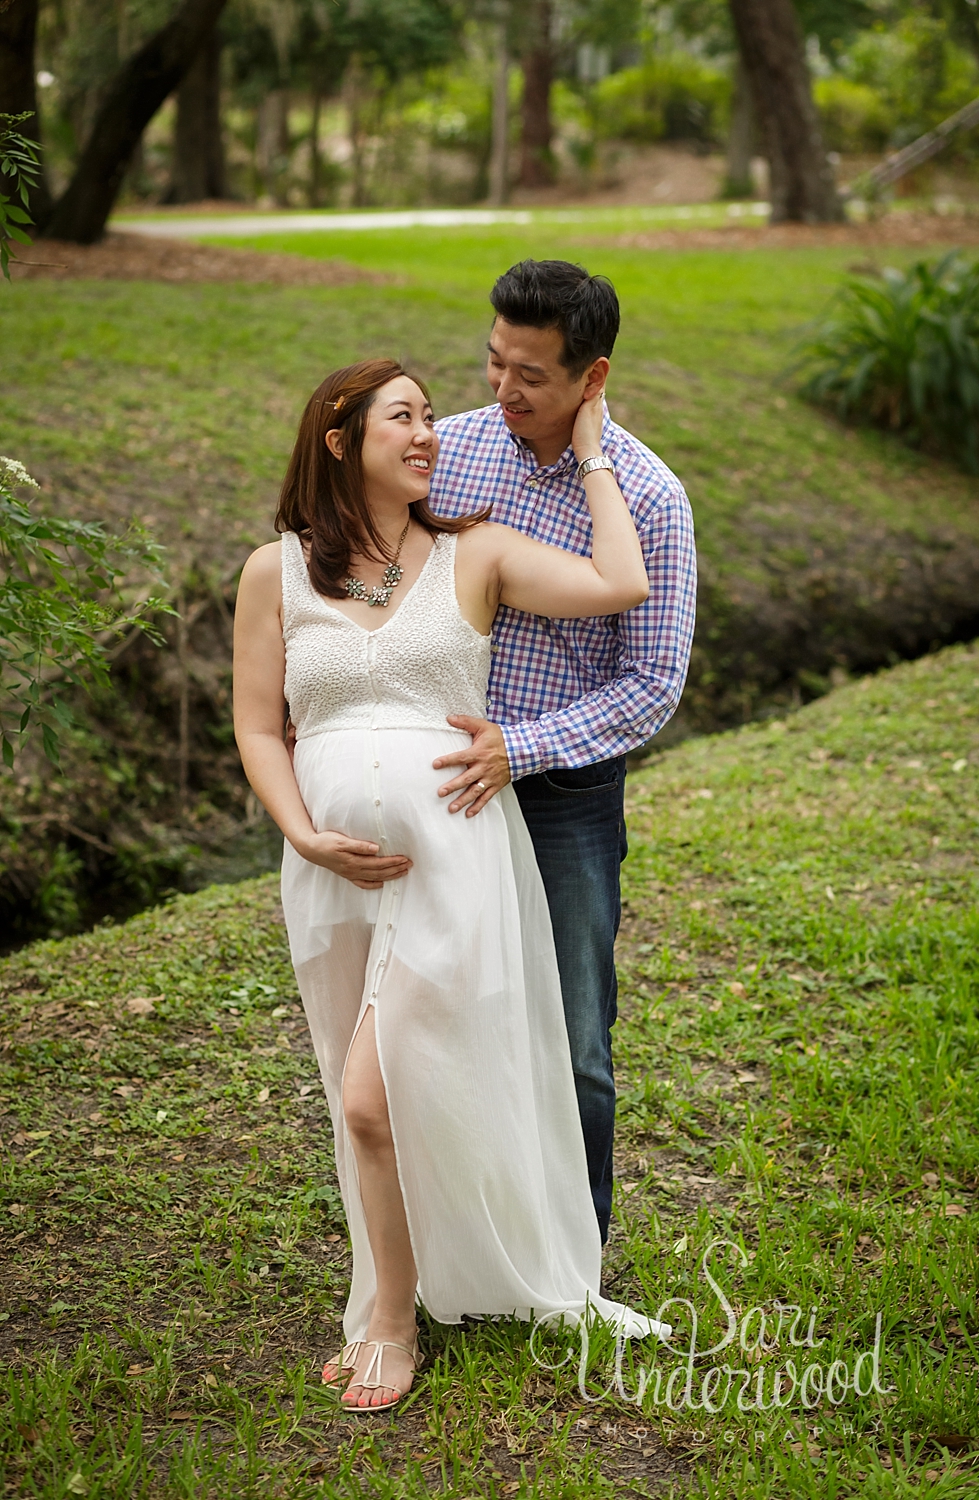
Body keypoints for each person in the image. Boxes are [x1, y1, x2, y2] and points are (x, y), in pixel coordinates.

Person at [232, 357, 668, 1417]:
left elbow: (621, 584)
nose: (428, 433)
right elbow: (258, 726)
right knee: (375, 1096)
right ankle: (408, 1277)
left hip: (456, 863)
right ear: (339, 441)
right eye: (403, 417)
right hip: (329, 874)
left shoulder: (476, 554)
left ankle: (392, 1317)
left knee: (371, 1096)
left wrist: (598, 452)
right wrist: (304, 834)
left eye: (431, 416)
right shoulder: (272, 571)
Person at [427, 260, 697, 1246]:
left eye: (531, 375)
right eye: (493, 362)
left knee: (573, 1039)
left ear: (593, 378)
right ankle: (459, 1241)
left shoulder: (651, 500)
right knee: (441, 1021)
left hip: (566, 798)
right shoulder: (445, 453)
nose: (503, 391)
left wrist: (520, 748)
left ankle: (573, 1257)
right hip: (437, 783)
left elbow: (652, 684)